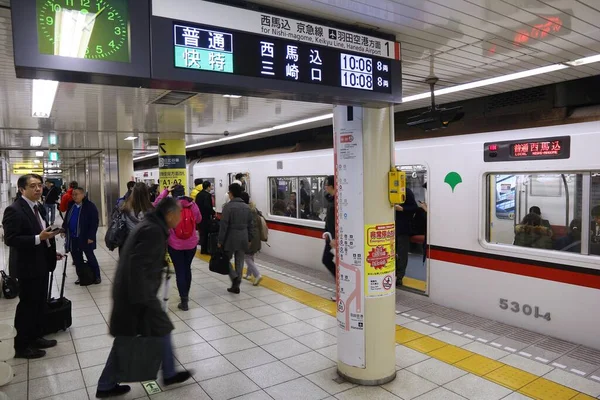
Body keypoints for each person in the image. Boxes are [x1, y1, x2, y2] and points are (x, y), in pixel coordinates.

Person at [95, 197, 192, 398]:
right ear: (169, 214)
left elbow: (140, 260)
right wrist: (144, 301)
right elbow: (137, 267)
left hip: (133, 292)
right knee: (128, 339)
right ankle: (106, 385)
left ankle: (169, 372)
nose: (180, 219)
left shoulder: (149, 225)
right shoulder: (153, 231)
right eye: (179, 215)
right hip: (136, 296)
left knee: (160, 330)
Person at [2, 174, 62, 359]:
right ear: (22, 189)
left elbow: (43, 231)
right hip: (27, 266)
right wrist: (39, 239)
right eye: (33, 186)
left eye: (40, 185)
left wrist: (50, 249)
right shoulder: (14, 210)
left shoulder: (39, 207)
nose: (38, 189)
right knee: (28, 305)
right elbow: (11, 239)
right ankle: (21, 345)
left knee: (39, 303)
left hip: (42, 262)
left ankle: (36, 336)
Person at [154, 185, 201, 311]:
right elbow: (199, 219)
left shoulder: (170, 206)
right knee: (187, 269)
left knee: (180, 270)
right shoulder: (192, 204)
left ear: (173, 193)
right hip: (191, 244)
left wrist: (165, 192)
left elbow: (155, 206)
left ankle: (184, 300)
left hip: (175, 245)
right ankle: (186, 296)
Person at [219, 183, 254, 294]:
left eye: (229, 192)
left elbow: (223, 225)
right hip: (243, 236)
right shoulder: (247, 207)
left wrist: (220, 240)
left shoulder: (228, 207)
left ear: (232, 193)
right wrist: (249, 238)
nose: (228, 194)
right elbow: (250, 225)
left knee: (225, 259)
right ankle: (236, 285)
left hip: (230, 237)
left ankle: (234, 277)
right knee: (240, 261)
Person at [62, 187, 101, 284]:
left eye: (77, 194)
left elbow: (94, 222)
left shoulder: (89, 206)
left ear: (83, 195)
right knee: (76, 258)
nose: (75, 196)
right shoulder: (71, 205)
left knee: (90, 256)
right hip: (73, 237)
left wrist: (91, 237)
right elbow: (67, 218)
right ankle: (81, 276)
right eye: (73, 194)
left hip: (85, 237)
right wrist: (63, 229)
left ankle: (97, 276)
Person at [119, 183, 154, 255]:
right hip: (146, 246)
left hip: (129, 243)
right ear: (146, 193)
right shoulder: (151, 210)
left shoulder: (125, 207)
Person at [395, 187, 419, 287]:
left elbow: (414, 207)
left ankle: (399, 277)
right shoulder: (385, 190)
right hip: (388, 228)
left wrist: (402, 209)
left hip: (402, 228)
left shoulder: (405, 191)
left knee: (401, 253)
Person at [240, 192, 262, 286]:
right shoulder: (254, 209)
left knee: (247, 257)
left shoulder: (244, 210)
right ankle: (248, 274)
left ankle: (257, 275)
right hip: (256, 235)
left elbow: (245, 226)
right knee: (250, 255)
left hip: (250, 236)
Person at [322, 175, 336, 301]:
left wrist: (334, 238)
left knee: (327, 259)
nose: (325, 188)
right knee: (327, 260)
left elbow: (335, 222)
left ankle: (342, 287)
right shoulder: (332, 199)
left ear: (331, 186)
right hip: (330, 238)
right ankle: (341, 286)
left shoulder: (337, 201)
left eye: (326, 185)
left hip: (334, 240)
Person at [196, 180, 215, 254]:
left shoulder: (198, 194)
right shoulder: (207, 195)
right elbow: (207, 206)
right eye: (211, 186)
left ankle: (203, 249)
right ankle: (206, 250)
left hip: (199, 216)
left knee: (202, 233)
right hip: (206, 217)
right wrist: (213, 213)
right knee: (206, 233)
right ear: (208, 187)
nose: (211, 187)